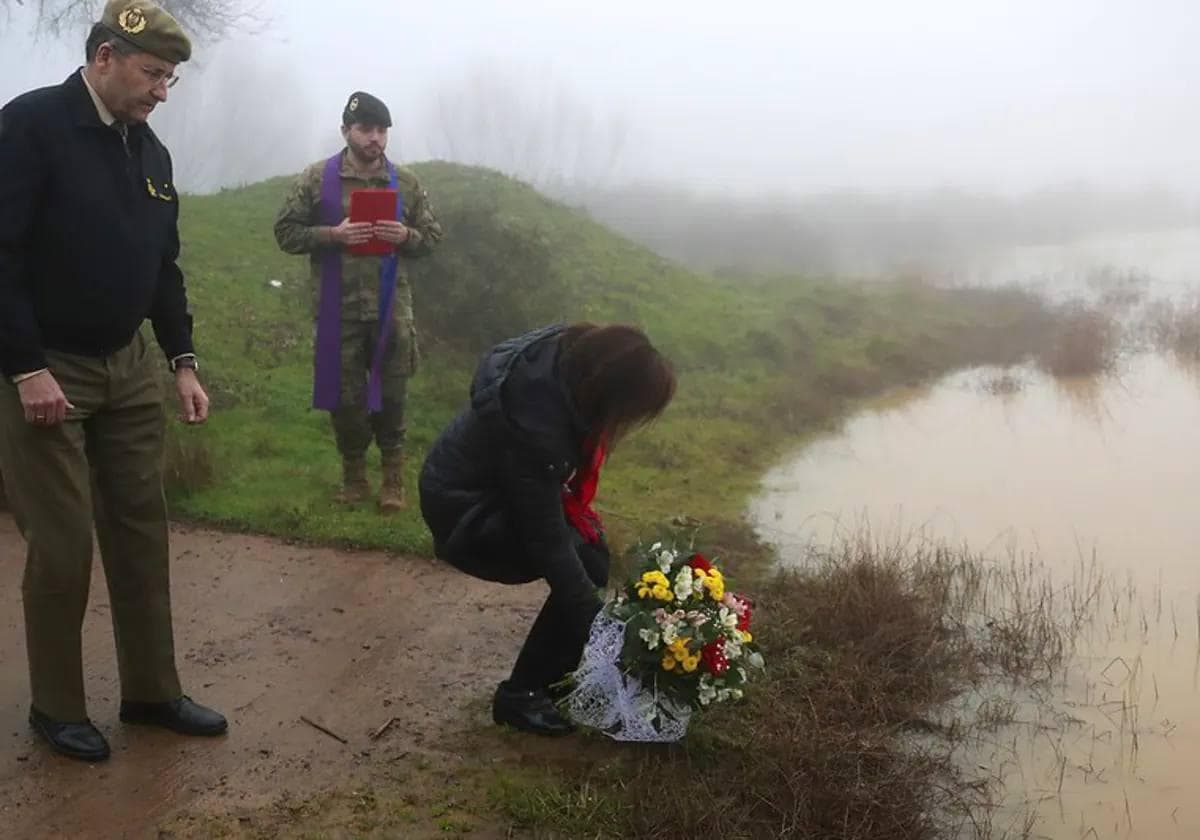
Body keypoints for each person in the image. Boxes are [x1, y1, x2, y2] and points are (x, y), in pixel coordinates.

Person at [0, 1, 227, 762]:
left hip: (128, 366)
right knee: (64, 543)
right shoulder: (31, 126)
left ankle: (152, 691)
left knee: (140, 531)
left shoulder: (150, 152)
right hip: (45, 368)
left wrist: (183, 361)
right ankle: (57, 707)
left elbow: (163, 269)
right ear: (104, 58)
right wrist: (26, 367)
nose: (164, 90)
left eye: (170, 78)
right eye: (153, 73)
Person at [418, 322, 676, 735]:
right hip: (465, 515)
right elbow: (548, 544)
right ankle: (520, 697)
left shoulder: (562, 370)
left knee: (589, 554)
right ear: (610, 390)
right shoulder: (534, 427)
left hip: (486, 493)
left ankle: (547, 682)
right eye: (629, 410)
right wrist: (607, 638)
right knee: (576, 557)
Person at [274, 92, 442, 513]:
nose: (375, 139)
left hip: (391, 311)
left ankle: (392, 482)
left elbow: (432, 237)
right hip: (338, 309)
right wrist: (332, 235)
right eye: (366, 129)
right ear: (346, 130)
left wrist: (407, 237)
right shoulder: (317, 179)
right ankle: (354, 477)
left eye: (382, 130)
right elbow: (285, 232)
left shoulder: (405, 182)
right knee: (344, 399)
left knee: (393, 396)